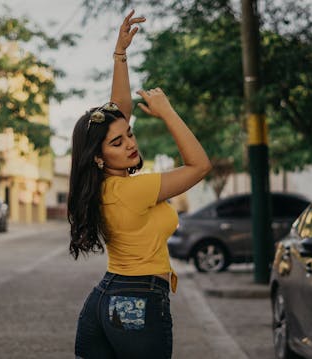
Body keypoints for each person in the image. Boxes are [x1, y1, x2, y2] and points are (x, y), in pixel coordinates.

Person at [68, 10, 211, 359]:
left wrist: (120, 55)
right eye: (117, 143)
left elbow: (118, 111)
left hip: (104, 300)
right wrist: (167, 111)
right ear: (99, 158)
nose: (130, 143)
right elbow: (199, 165)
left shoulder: (101, 187)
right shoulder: (133, 190)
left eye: (129, 134)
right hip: (138, 303)